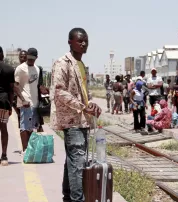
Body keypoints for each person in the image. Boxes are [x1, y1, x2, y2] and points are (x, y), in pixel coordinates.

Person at [50, 28, 102, 202]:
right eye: (80, 41)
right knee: (77, 165)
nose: (84, 44)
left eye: (86, 40)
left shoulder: (81, 65)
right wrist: (82, 107)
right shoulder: (63, 63)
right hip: (72, 121)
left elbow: (82, 94)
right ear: (70, 42)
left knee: (73, 163)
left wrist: (90, 105)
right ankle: (76, 199)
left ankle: (68, 198)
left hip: (81, 120)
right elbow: (59, 91)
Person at [14, 48, 41, 154]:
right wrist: (22, 99)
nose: (30, 61)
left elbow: (36, 86)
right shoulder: (20, 68)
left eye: (32, 59)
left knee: (32, 128)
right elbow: (15, 86)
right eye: (28, 58)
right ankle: (25, 150)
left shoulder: (37, 69)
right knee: (24, 127)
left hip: (35, 102)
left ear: (36, 58)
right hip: (25, 102)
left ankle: (30, 149)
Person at [12, 50, 27, 128]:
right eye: (21, 57)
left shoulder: (32, 69)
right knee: (21, 123)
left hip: (29, 99)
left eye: (25, 57)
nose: (23, 58)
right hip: (18, 100)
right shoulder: (16, 69)